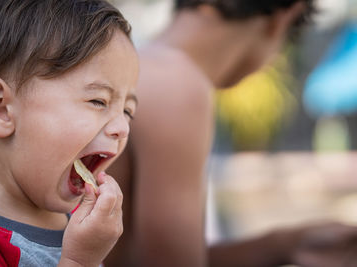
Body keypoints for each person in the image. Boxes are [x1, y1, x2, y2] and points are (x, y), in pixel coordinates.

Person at [105, 0, 357, 267]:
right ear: (285, 16)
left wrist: (286, 244)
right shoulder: (177, 83)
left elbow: (137, 258)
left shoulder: (137, 60)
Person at [0, 0, 139, 266]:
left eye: (128, 111)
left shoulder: (82, 222)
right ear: (0, 108)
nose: (123, 127)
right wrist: (79, 261)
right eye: (98, 101)